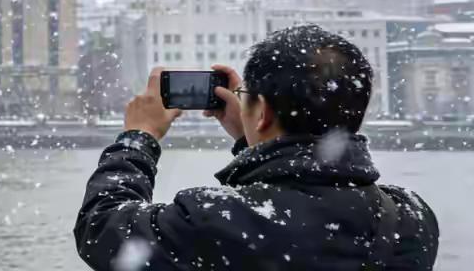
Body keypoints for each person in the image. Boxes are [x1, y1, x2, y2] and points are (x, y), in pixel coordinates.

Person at [75, 24, 439, 270]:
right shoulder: (411, 218)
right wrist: (250, 140)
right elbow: (303, 199)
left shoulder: (215, 217)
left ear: (262, 111)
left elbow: (101, 228)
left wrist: (140, 136)